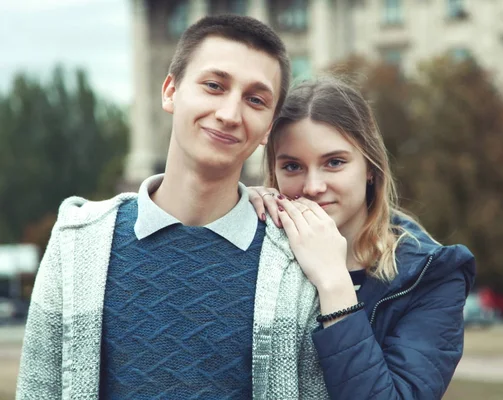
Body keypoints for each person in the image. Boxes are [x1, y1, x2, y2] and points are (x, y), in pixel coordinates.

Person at [17, 15, 329, 399]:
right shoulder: (77, 242)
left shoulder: (295, 260)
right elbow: (38, 390)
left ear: (268, 127)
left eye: (255, 100)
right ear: (170, 92)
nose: (230, 114)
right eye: (214, 86)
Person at [248, 77, 476, 399]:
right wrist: (234, 207)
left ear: (370, 166)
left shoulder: (431, 274)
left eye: (334, 162)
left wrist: (334, 283)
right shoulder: (258, 244)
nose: (313, 186)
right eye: (293, 166)